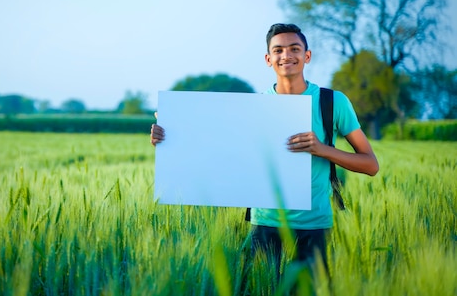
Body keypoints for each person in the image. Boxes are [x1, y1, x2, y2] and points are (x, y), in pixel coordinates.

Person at [150, 23, 379, 279]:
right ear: (268, 59)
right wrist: (170, 138)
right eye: (278, 50)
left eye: (294, 49)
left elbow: (370, 164)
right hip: (265, 225)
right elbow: (218, 149)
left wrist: (322, 149)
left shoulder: (333, 102)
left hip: (314, 227)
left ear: (307, 55)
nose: (286, 56)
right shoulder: (254, 106)